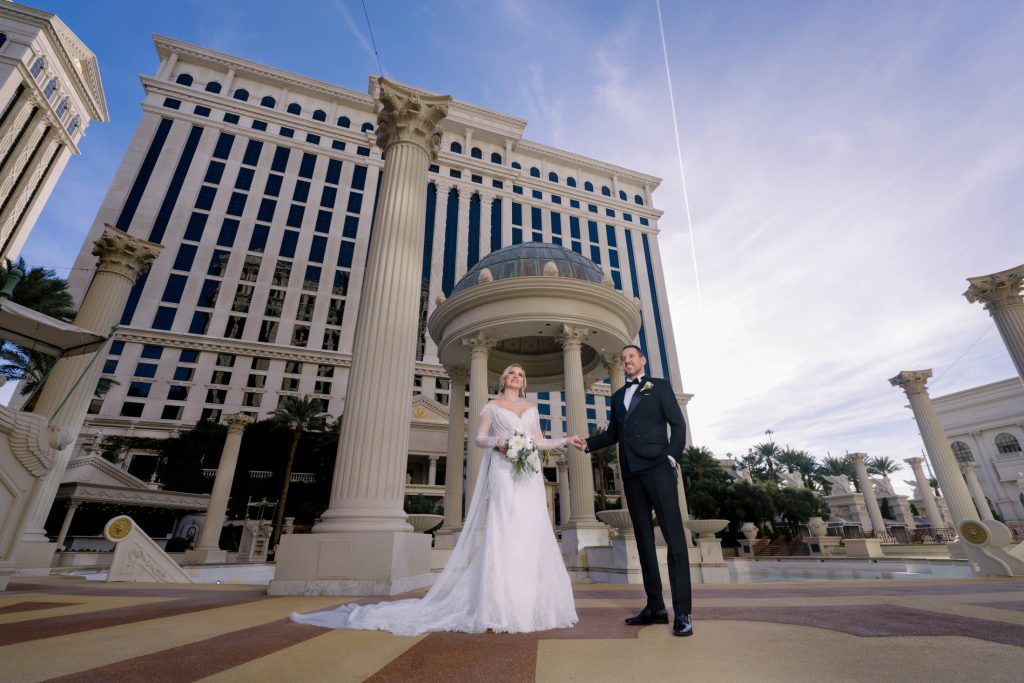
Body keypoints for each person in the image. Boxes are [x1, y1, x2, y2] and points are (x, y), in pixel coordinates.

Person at [291, 363, 578, 636]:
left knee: (529, 531)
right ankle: (499, 606)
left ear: (523, 382)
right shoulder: (491, 405)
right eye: (511, 373)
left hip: (528, 474)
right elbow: (479, 438)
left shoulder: (531, 408)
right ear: (503, 379)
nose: (516, 376)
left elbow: (538, 440)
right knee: (504, 529)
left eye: (520, 374)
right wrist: (499, 442)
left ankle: (530, 602)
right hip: (503, 470)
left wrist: (565, 440)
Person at [570, 344, 693, 637]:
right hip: (632, 474)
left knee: (675, 540)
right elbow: (614, 433)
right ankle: (656, 607)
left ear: (642, 360)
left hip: (659, 469)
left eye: (631, 357)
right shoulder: (616, 397)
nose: (626, 361)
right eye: (623, 358)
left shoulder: (660, 387)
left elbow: (678, 426)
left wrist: (672, 457)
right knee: (644, 543)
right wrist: (588, 443)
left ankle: (683, 612)